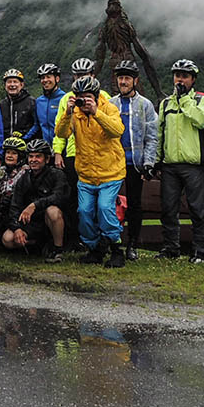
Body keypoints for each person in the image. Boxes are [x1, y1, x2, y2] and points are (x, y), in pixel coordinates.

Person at [55, 76, 127, 267]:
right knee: (84, 212)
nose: (83, 101)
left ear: (95, 96)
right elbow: (61, 133)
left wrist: (96, 113)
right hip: (86, 174)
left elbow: (117, 130)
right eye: (79, 97)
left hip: (110, 172)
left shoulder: (108, 108)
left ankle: (116, 249)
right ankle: (94, 249)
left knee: (105, 208)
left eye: (87, 97)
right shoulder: (75, 113)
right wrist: (68, 113)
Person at [156, 59, 204, 263]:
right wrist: (156, 160)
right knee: (168, 209)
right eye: (177, 75)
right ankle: (171, 248)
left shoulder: (201, 100)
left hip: (193, 165)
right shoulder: (165, 103)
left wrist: (185, 101)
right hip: (170, 165)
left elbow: (203, 120)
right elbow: (159, 133)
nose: (180, 79)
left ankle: (200, 250)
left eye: (185, 76)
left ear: (193, 79)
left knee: (198, 209)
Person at [110, 59, 158, 260]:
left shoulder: (145, 105)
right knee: (110, 204)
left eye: (127, 78)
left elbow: (152, 136)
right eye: (121, 78)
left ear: (135, 81)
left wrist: (149, 163)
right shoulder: (110, 104)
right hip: (113, 164)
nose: (123, 82)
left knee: (135, 205)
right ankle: (113, 243)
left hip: (135, 164)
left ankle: (132, 244)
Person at [0, 139, 68, 262]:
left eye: (38, 156)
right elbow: (15, 206)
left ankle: (58, 250)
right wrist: (17, 229)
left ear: (47, 159)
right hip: (31, 223)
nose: (33, 160)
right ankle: (37, 245)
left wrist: (34, 205)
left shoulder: (57, 175)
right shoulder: (24, 178)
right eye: (31, 156)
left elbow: (59, 197)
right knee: (7, 239)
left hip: (50, 221)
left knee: (53, 211)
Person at [0, 134, 29, 216]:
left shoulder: (26, 171)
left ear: (21, 156)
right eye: (8, 152)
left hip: (16, 211)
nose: (9, 156)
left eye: (14, 153)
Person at [0, 68, 40, 140]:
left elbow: (37, 125)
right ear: (5, 85)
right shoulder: (1, 105)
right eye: (9, 82)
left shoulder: (31, 102)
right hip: (6, 146)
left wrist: (24, 136)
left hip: (27, 145)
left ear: (21, 85)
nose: (12, 85)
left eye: (15, 82)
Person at [33, 62, 65, 146]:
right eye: (43, 78)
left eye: (48, 77)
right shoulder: (39, 101)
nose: (45, 80)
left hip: (63, 149)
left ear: (57, 79)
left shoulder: (65, 98)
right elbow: (37, 126)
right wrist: (24, 138)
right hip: (45, 149)